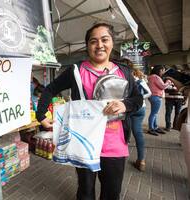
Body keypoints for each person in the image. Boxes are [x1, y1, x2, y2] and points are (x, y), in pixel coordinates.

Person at [36, 23, 143, 200]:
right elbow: (49, 89)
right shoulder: (76, 71)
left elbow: (137, 99)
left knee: (112, 193)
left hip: (114, 145)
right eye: (93, 41)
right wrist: (41, 116)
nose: (99, 45)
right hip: (84, 145)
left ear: (112, 43)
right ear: (87, 46)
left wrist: (125, 105)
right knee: (85, 192)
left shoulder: (124, 72)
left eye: (104, 39)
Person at [130, 69, 151, 171]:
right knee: (138, 133)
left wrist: (134, 99)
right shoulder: (140, 80)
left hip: (128, 108)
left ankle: (120, 155)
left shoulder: (126, 79)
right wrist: (140, 98)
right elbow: (149, 93)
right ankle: (141, 160)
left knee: (123, 130)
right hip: (140, 108)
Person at [147, 65, 172, 136]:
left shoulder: (151, 77)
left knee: (154, 113)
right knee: (154, 113)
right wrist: (168, 81)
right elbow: (163, 86)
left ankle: (155, 127)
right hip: (156, 96)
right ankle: (151, 128)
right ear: (159, 70)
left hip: (153, 96)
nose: (163, 72)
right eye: (163, 70)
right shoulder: (155, 77)